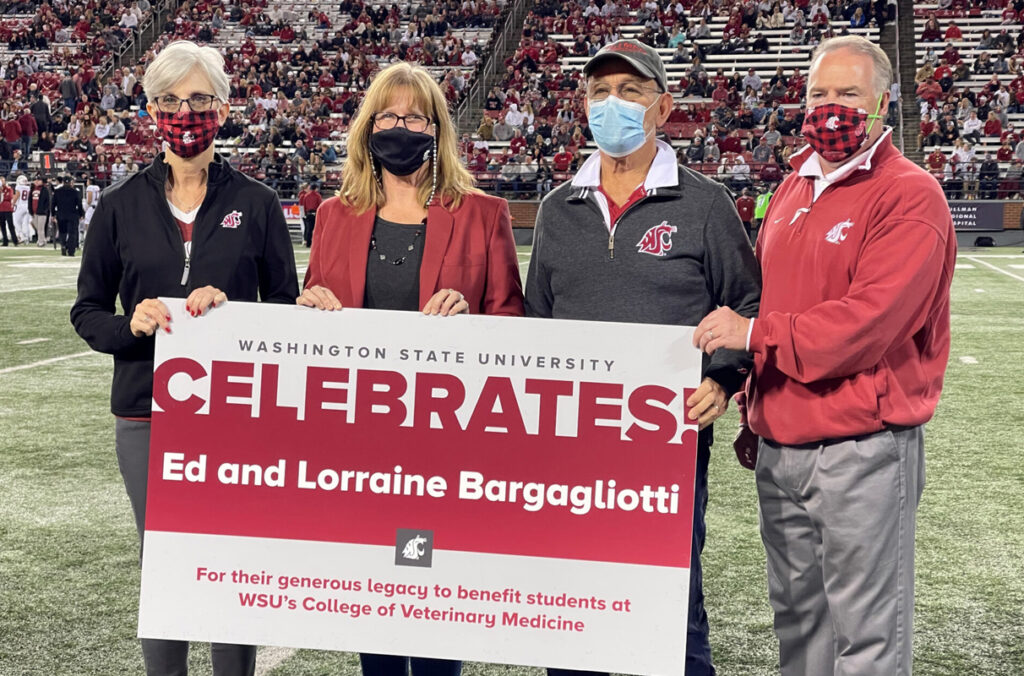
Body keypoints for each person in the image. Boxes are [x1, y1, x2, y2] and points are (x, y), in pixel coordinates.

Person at [694, 36, 955, 676]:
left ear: (883, 104)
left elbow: (868, 325)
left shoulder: (910, 194)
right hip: (781, 444)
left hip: (860, 445)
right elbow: (778, 296)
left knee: (866, 639)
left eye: (848, 93)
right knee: (800, 626)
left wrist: (754, 335)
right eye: (819, 93)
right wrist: (754, 401)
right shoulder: (792, 186)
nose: (830, 106)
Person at [524, 40, 761, 676]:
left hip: (667, 438)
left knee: (667, 600)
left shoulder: (705, 203)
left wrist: (723, 381)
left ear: (663, 107)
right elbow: (537, 321)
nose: (614, 104)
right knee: (571, 599)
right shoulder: (556, 209)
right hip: (573, 442)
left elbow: (745, 305)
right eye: (600, 92)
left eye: (630, 92)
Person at [70, 40, 298, 676]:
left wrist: (233, 314)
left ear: (222, 109)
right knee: (163, 560)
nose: (184, 113)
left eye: (199, 99)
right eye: (169, 101)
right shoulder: (119, 204)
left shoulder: (257, 202)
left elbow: (285, 307)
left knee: (232, 553)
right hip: (145, 412)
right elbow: (87, 312)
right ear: (150, 110)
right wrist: (132, 324)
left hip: (236, 412)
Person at [298, 61, 524, 676]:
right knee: (374, 604)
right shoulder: (334, 215)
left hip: (449, 451)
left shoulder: (483, 214)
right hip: (360, 450)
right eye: (389, 116)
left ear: (438, 130)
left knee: (436, 609)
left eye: (416, 117)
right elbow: (312, 320)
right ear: (368, 128)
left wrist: (472, 321)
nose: (401, 127)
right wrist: (308, 308)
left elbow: (513, 324)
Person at [51, 174, 84, 255]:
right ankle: (71, 250)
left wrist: (53, 214)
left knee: (62, 232)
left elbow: (53, 204)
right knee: (72, 233)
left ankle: (63, 245)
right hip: (72, 214)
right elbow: (79, 204)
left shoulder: (57, 192)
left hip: (61, 214)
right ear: (70, 182)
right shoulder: (75, 192)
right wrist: (81, 214)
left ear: (62, 182)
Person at [28, 174, 52, 247]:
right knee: (37, 227)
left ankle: (40, 241)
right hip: (34, 211)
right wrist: (30, 210)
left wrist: (45, 210)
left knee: (41, 228)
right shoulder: (32, 189)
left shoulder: (44, 189)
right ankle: (43, 239)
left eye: (38, 180)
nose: (36, 181)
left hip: (42, 212)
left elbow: (47, 201)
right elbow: (30, 200)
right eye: (36, 180)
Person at [299, 181, 322, 247]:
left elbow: (303, 205)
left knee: (308, 228)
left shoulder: (306, 195)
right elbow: (320, 204)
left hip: (308, 213)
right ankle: (314, 242)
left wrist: (304, 214)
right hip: (315, 213)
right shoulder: (317, 195)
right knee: (315, 229)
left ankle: (308, 242)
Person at [12, 174, 32, 243]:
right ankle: (27, 238)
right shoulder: (28, 188)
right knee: (26, 223)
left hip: (20, 206)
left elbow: (17, 196)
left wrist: (13, 203)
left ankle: (21, 236)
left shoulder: (19, 187)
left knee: (16, 222)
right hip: (27, 206)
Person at [0, 176, 17, 246]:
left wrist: (2, 194)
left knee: (10, 225)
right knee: (2, 225)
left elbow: (9, 197)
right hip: (1, 209)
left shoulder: (9, 189)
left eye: (3, 181)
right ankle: (5, 241)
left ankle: (15, 240)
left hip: (8, 209)